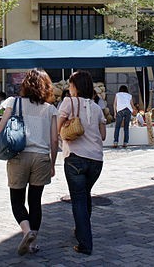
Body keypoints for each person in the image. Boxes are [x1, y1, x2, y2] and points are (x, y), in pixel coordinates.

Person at [0, 69, 57, 256]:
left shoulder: (13, 103)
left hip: (18, 155)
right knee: (35, 201)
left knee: (17, 200)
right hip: (41, 158)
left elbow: (0, 130)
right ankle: (32, 242)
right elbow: (55, 140)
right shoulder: (50, 109)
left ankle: (26, 231)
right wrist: (53, 163)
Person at [58, 70, 106, 255]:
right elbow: (102, 135)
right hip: (96, 160)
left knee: (78, 199)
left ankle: (85, 243)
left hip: (75, 158)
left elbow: (57, 127)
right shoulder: (96, 107)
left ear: (75, 86)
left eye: (70, 85)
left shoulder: (68, 102)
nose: (69, 89)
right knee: (85, 195)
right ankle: (81, 230)